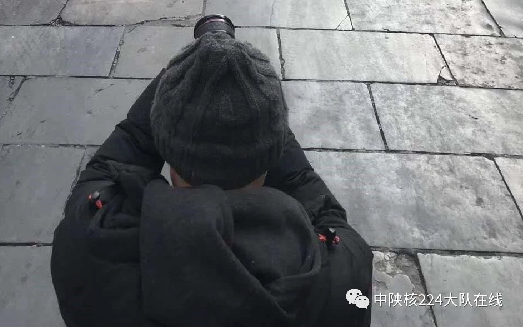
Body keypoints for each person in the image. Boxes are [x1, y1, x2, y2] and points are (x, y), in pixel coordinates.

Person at [51, 31, 373, 327]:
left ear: (169, 150)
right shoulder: (343, 275)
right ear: (269, 154)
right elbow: (316, 201)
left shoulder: (90, 241)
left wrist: (178, 83)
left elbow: (119, 155)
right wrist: (259, 110)